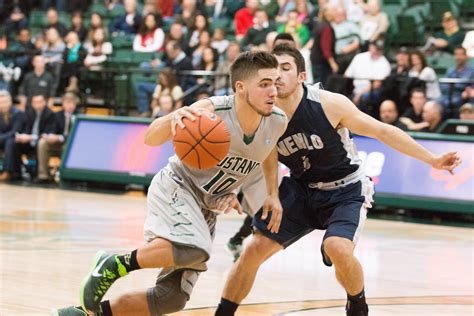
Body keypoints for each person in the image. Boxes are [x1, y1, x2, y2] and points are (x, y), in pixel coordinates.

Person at [215, 44, 461, 316]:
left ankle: (357, 303)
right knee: (253, 249)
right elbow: (268, 153)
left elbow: (383, 131)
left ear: (301, 76)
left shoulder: (328, 104)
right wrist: (271, 193)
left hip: (345, 189)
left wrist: (432, 159)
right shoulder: (266, 113)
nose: (279, 77)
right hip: (301, 188)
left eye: (286, 69)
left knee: (337, 248)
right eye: (274, 72)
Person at [54, 50, 288, 316]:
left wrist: (270, 193)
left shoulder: (276, 120)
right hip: (178, 186)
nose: (273, 91)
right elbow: (150, 138)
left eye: (275, 83)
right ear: (241, 87)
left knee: (170, 299)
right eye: (264, 84)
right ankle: (113, 264)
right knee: (193, 250)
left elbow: (269, 149)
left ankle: (85, 315)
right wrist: (172, 118)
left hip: (207, 207)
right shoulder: (210, 110)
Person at [36, 92, 78, 182]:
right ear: (63, 103)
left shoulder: (79, 116)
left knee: (66, 148)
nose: (70, 105)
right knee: (42, 143)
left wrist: (60, 138)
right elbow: (51, 129)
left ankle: (66, 176)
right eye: (68, 102)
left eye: (72, 103)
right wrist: (49, 136)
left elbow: (76, 135)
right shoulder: (56, 115)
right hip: (57, 144)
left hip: (71, 146)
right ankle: (43, 175)